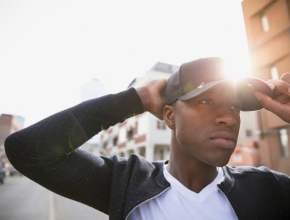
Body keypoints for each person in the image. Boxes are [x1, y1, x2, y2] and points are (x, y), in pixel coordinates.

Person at [4, 57, 290, 220]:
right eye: (206, 102)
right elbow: (26, 149)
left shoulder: (270, 189)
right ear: (169, 115)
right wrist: (136, 98)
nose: (229, 117)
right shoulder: (126, 182)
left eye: (235, 106)